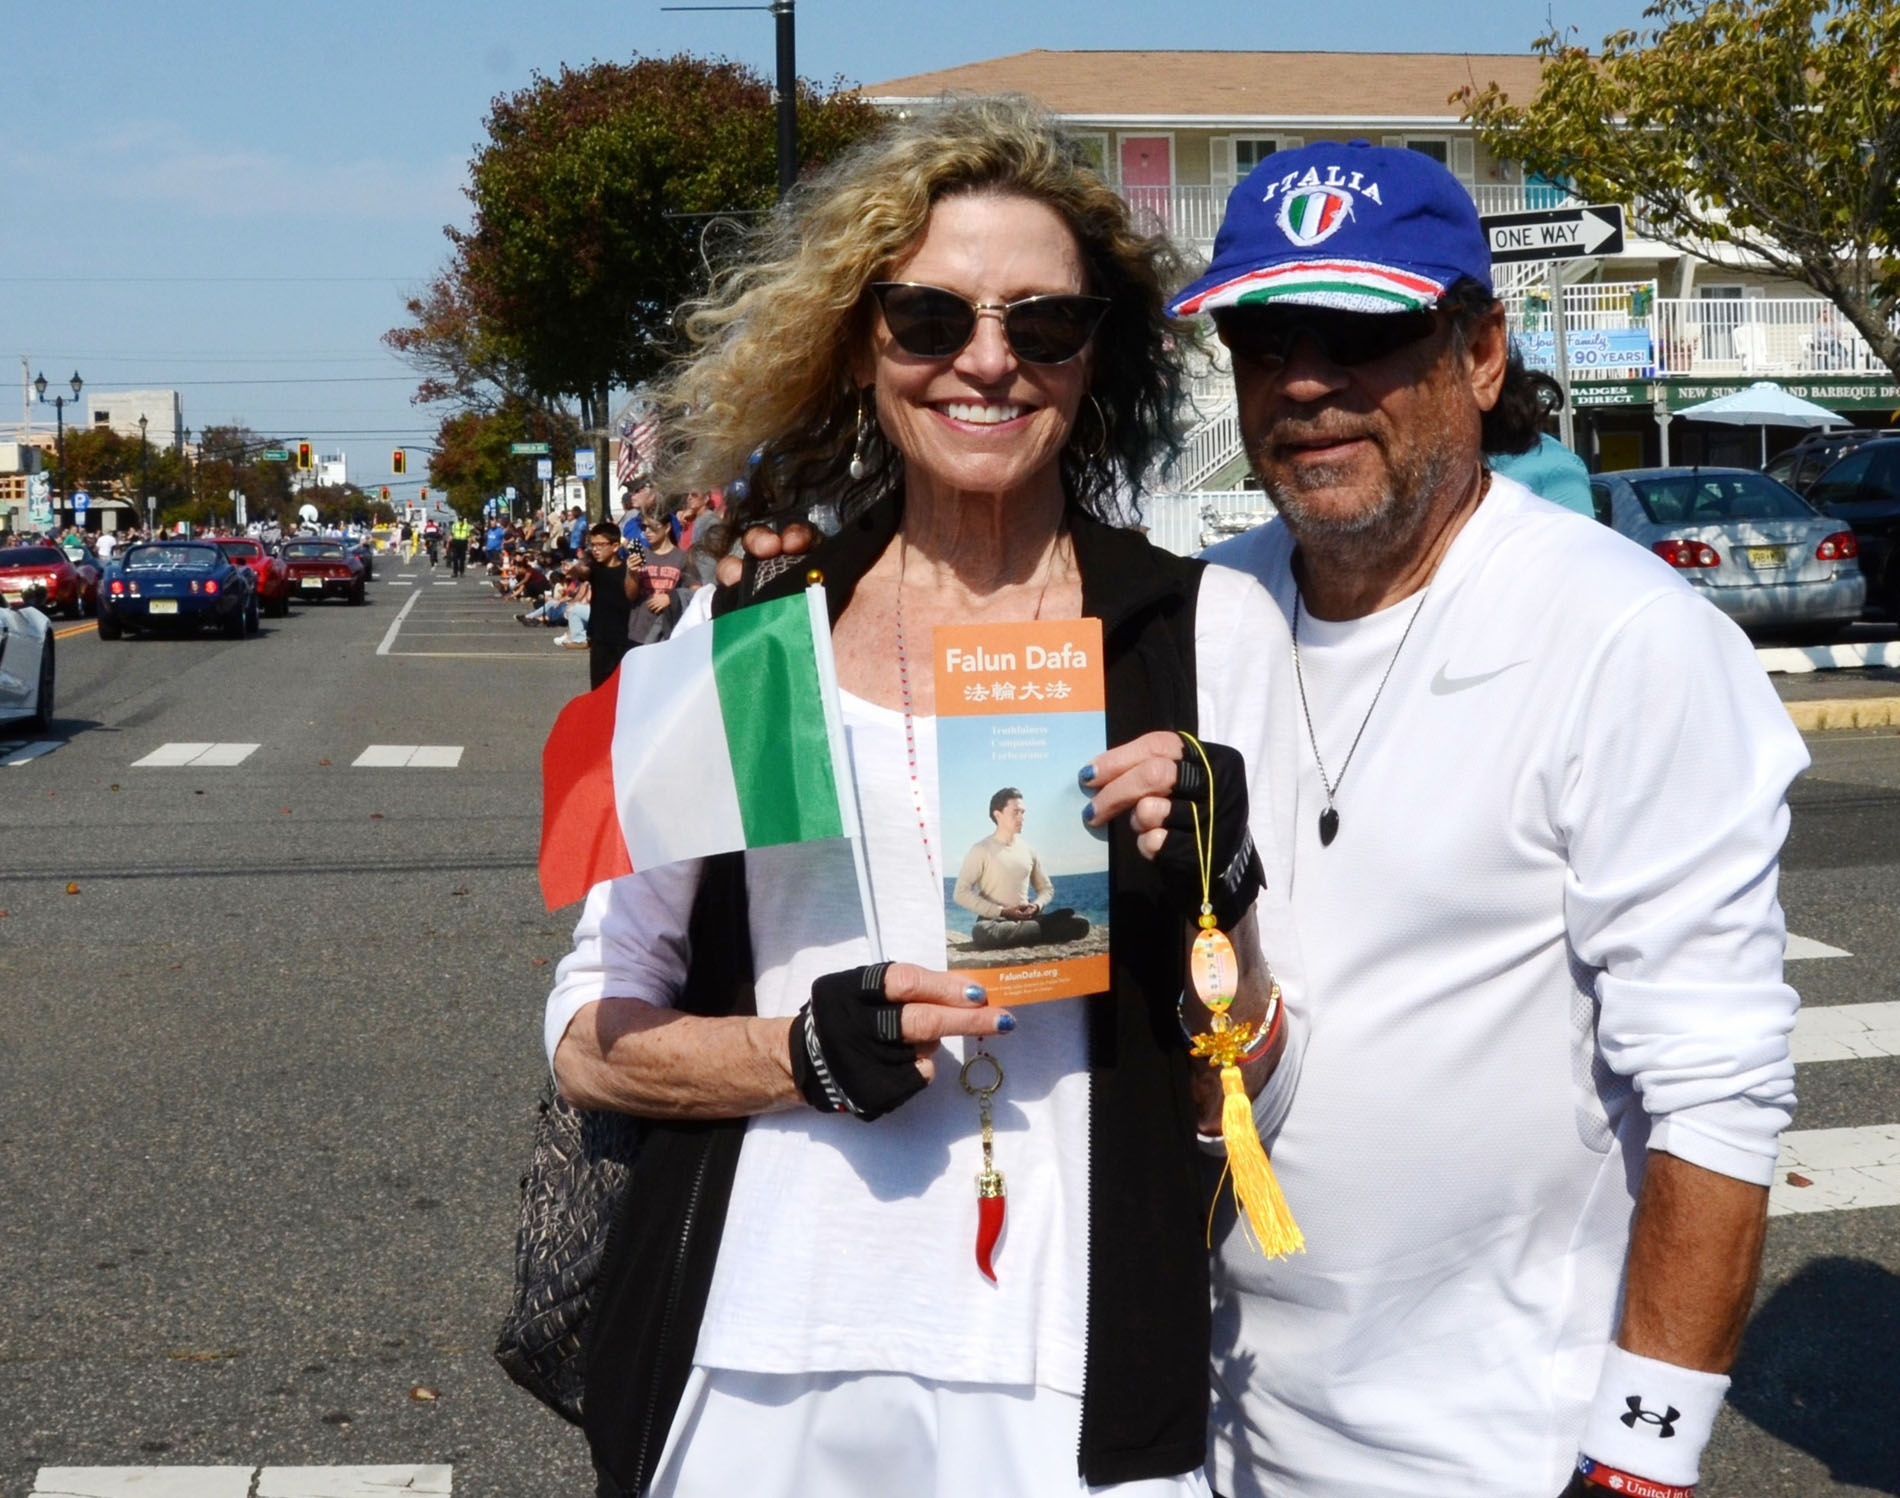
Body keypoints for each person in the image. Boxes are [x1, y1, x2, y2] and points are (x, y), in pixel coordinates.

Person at [543, 96, 1307, 1498]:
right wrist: (800, 1054)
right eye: (930, 317)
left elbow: (1254, 1079)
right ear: (857, 343)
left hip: (1076, 1374)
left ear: (1097, 357)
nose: (990, 361)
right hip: (763, 1354)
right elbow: (591, 1034)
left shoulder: (1196, 636)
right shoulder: (752, 646)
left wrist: (1229, 903)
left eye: (1046, 324)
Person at [1168, 142, 1807, 1498]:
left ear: (1479, 354)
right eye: (1265, 340)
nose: (1306, 382)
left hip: (1507, 1452)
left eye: (1362, 335)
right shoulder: (1200, 618)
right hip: (1220, 1432)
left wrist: (1641, 1458)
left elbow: (1716, 1088)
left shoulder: (1624, 636)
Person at [952, 787, 1090, 949]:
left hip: (1026, 918)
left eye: (1023, 812)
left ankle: (1033, 929)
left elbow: (1046, 889)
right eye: (1015, 812)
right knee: (981, 932)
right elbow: (960, 893)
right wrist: (1002, 911)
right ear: (998, 815)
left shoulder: (1028, 850)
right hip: (995, 921)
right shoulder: (980, 849)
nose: (1021, 817)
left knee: (1081, 924)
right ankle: (1042, 928)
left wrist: (1036, 905)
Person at [562, 520, 645, 687]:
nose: (596, 549)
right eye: (593, 545)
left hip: (625, 637)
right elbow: (583, 571)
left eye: (601, 545)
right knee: (599, 687)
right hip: (600, 637)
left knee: (624, 687)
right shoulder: (595, 568)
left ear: (615, 546)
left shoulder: (627, 569)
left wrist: (632, 573)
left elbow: (632, 594)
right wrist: (573, 570)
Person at [626, 506, 699, 647]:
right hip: (640, 631)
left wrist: (671, 598)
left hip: (669, 630)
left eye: (652, 527)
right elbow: (630, 595)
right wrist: (632, 573)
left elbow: (696, 591)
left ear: (667, 528)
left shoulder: (683, 558)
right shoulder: (640, 555)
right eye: (644, 527)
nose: (647, 532)